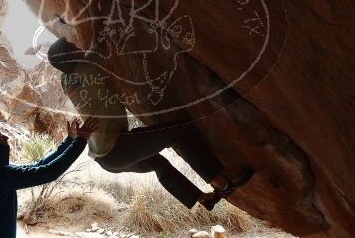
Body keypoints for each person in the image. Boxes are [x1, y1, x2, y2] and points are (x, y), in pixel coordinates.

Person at [47, 37, 253, 210]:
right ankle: (220, 180)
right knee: (180, 131)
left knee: (158, 163)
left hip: (104, 158)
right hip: (117, 147)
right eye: (72, 47)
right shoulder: (88, 66)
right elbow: (99, 42)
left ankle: (203, 199)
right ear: (70, 56)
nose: (77, 46)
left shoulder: (67, 81)